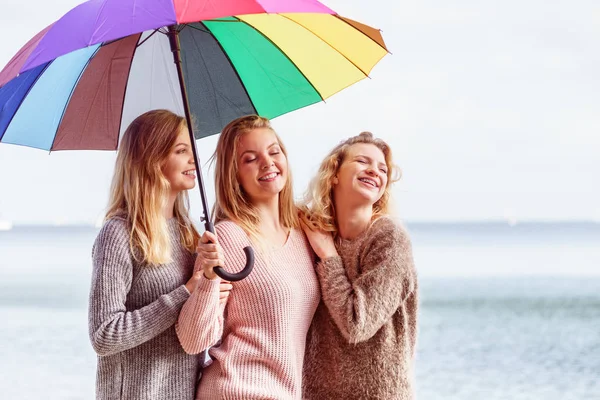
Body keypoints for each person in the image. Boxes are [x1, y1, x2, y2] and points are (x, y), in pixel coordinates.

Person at [176, 115, 320, 399]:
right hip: (235, 391)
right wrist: (207, 278)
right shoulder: (228, 237)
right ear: (235, 175)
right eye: (250, 159)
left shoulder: (305, 233)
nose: (267, 162)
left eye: (274, 151)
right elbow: (193, 340)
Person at [89, 109, 228, 399]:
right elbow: (104, 335)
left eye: (193, 149)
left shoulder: (189, 234)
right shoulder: (119, 234)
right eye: (181, 150)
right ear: (152, 160)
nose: (195, 159)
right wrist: (186, 292)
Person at [300, 132, 419, 399]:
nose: (374, 171)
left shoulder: (389, 239)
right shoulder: (314, 232)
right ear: (334, 174)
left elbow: (358, 323)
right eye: (363, 161)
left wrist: (328, 256)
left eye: (382, 168)